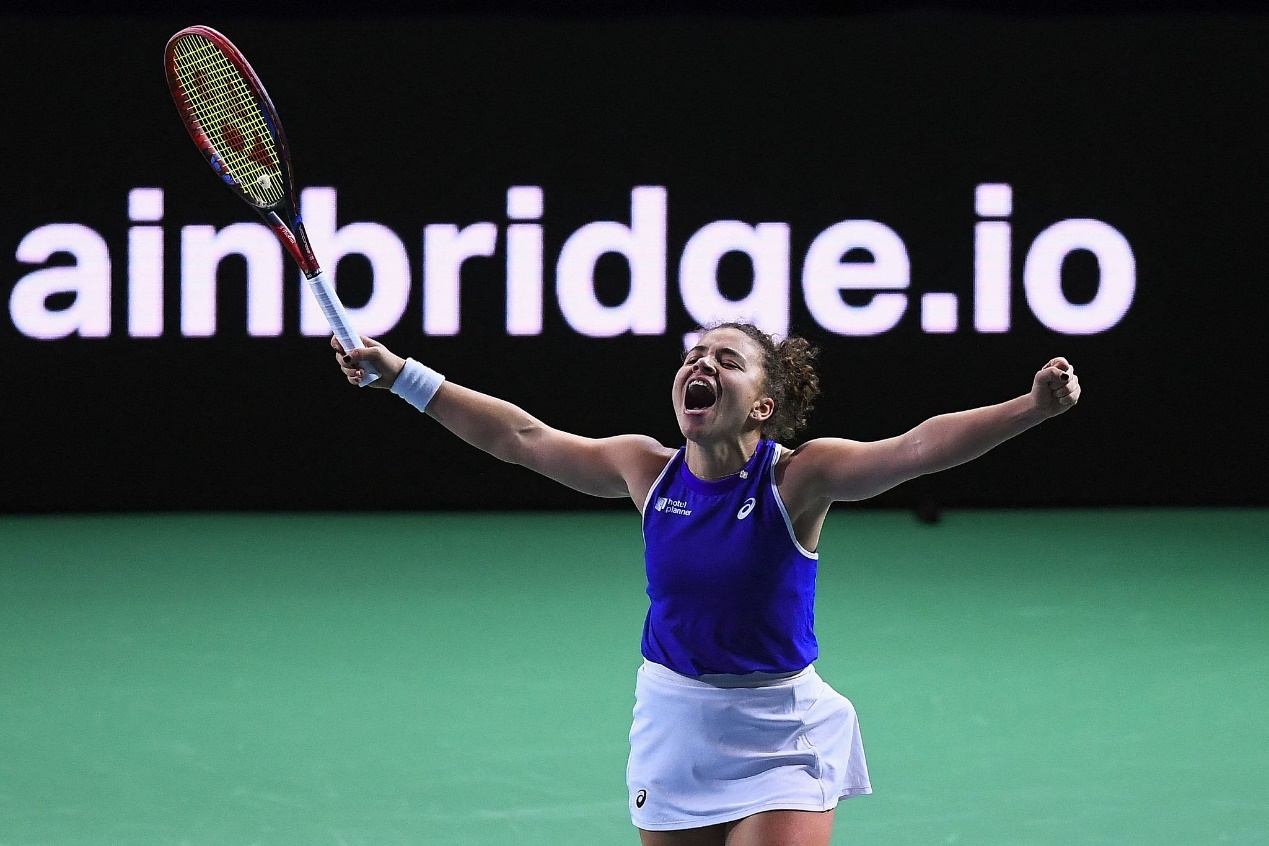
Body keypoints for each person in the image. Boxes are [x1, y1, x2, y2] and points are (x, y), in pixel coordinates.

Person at [332, 323, 1081, 846]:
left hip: (780, 729)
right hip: (674, 722)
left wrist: (1030, 409)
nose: (702, 365)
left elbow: (915, 447)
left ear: (762, 404)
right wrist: (402, 377)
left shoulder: (798, 477)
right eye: (694, 355)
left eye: (726, 359)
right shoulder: (644, 468)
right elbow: (519, 439)